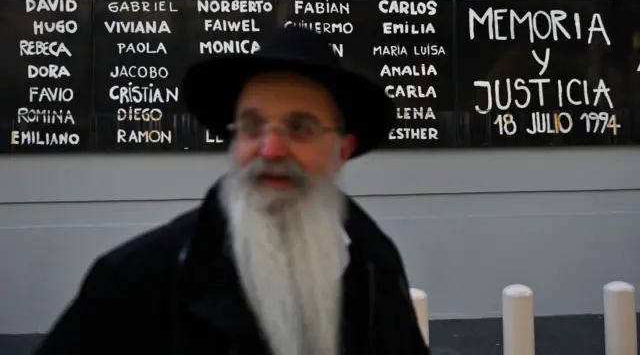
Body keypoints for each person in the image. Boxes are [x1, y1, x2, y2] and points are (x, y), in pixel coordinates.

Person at [34, 26, 430, 355]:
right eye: (252, 126)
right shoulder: (136, 278)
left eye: (302, 128)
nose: (271, 149)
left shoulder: (376, 266)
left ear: (341, 151)